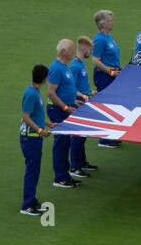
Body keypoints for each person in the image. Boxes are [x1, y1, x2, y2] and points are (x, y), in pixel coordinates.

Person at [46, 39, 84, 188]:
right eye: (71, 50)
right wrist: (65, 108)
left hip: (66, 107)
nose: (73, 52)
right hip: (58, 111)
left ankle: (65, 175)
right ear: (63, 51)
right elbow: (51, 93)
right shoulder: (56, 68)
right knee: (61, 143)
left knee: (66, 142)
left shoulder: (64, 67)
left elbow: (65, 90)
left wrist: (74, 101)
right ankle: (60, 177)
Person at [19, 63, 51, 215]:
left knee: (35, 170)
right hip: (30, 139)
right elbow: (26, 117)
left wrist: (49, 124)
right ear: (44, 78)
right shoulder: (31, 94)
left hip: (35, 138)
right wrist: (40, 130)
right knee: (32, 171)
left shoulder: (35, 91)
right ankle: (26, 205)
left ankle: (31, 200)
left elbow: (37, 115)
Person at [91, 10, 124, 148]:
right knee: (106, 106)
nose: (113, 22)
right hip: (104, 76)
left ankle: (110, 135)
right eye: (110, 20)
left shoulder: (108, 37)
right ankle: (104, 139)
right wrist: (110, 72)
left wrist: (118, 69)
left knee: (112, 105)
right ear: (103, 24)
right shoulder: (99, 39)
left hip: (112, 74)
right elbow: (95, 60)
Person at [68, 36, 98, 178]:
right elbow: (70, 88)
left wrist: (89, 92)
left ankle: (81, 161)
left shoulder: (81, 64)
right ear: (84, 48)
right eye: (90, 50)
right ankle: (75, 166)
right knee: (77, 135)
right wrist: (83, 96)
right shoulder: (74, 66)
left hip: (84, 101)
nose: (91, 53)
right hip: (78, 104)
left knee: (83, 134)